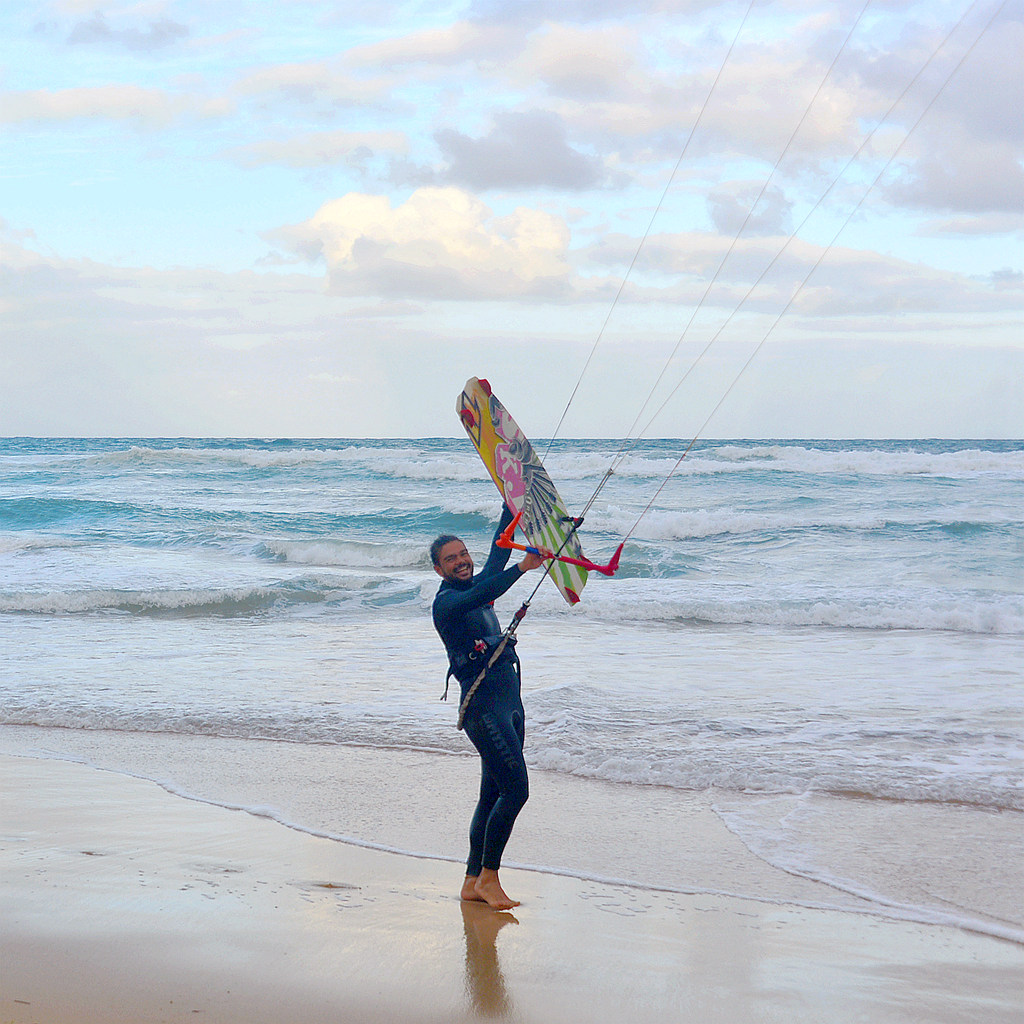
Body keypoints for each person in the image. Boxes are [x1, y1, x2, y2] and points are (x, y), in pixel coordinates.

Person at [431, 503, 543, 910]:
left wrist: (510, 506)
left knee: (492, 793)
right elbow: (489, 587)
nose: (461, 562)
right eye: (450, 559)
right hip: (483, 709)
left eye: (463, 554)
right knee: (516, 791)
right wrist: (523, 568)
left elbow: (497, 555)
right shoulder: (447, 604)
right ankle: (490, 878)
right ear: (439, 570)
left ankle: (471, 880)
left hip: (509, 701)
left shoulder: (476, 586)